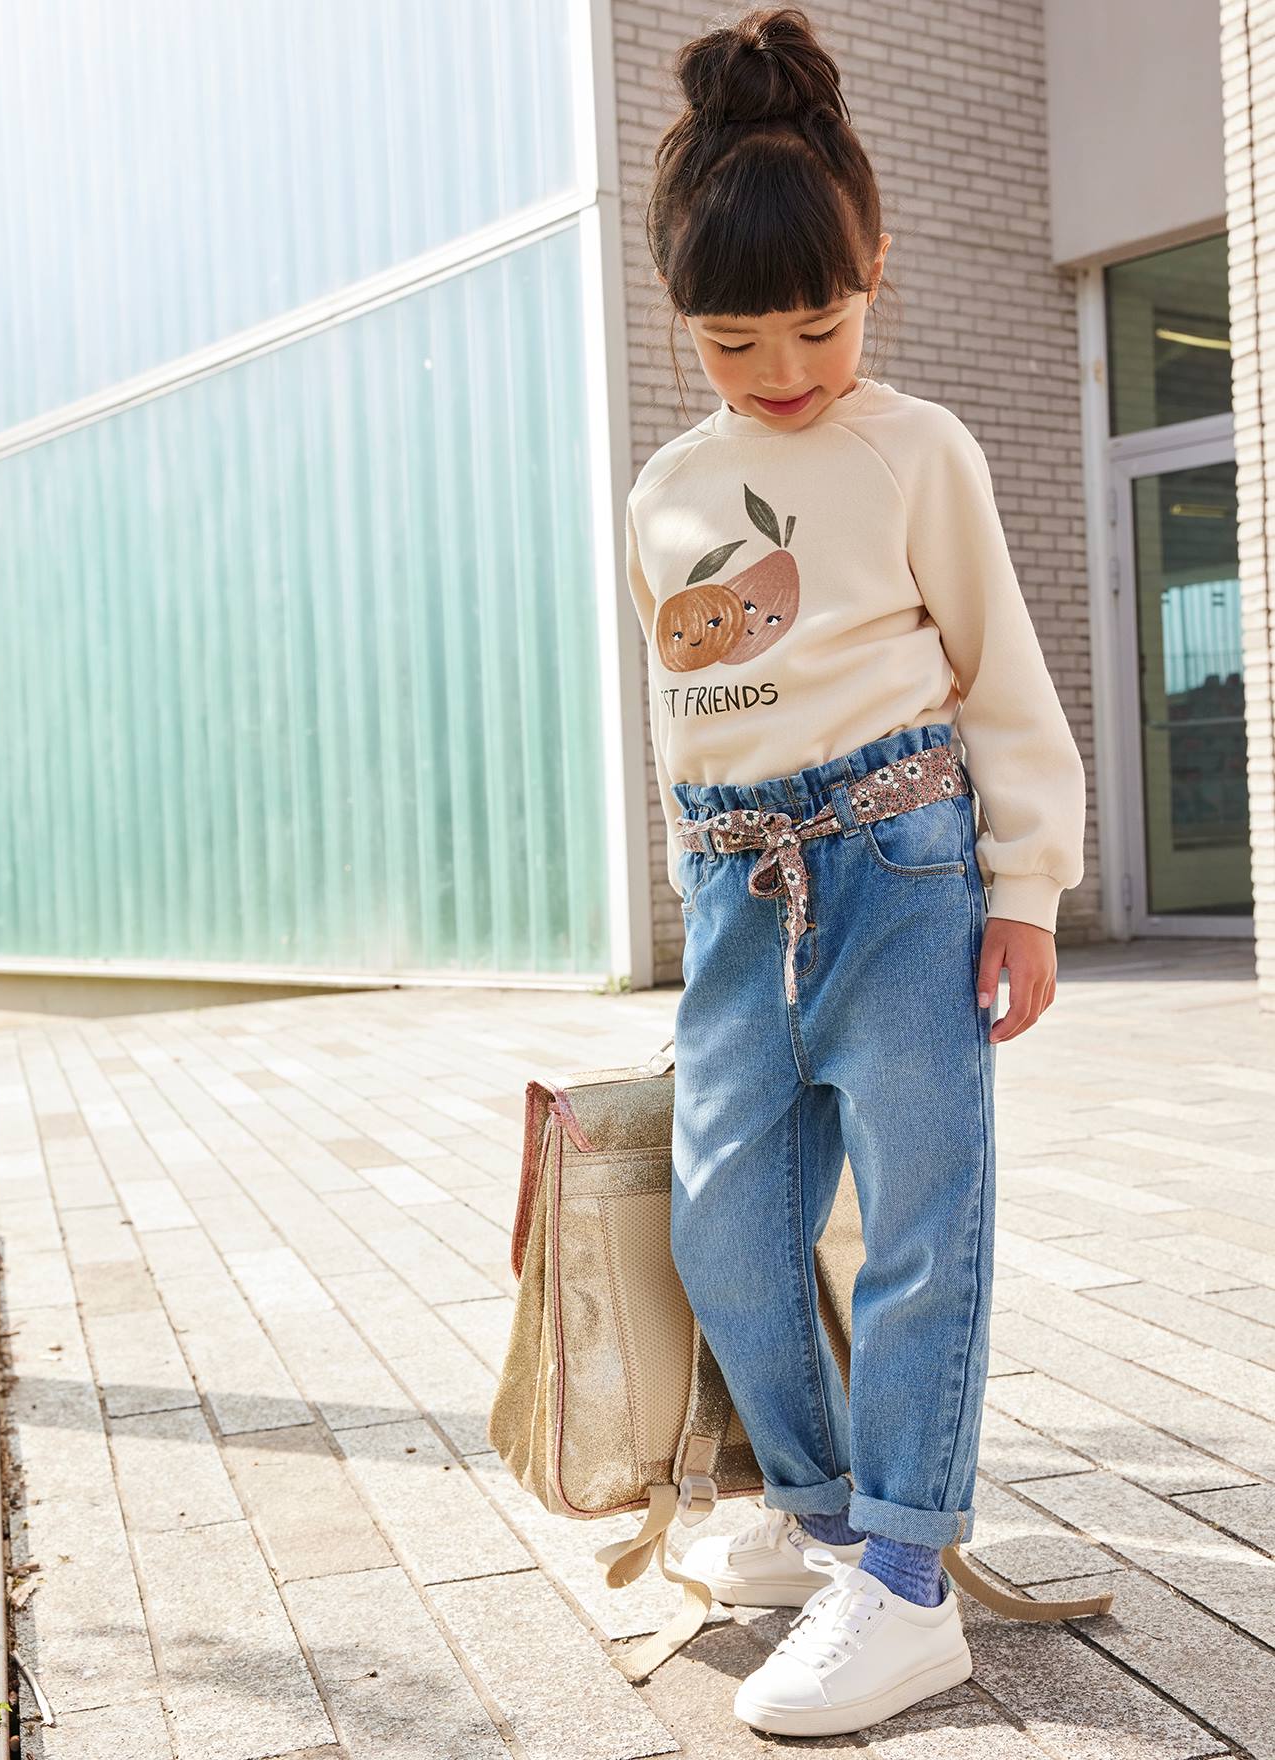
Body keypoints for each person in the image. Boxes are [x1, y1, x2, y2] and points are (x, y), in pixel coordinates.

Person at [622, 5, 1085, 1740]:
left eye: (816, 322)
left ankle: (903, 1581)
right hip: (739, 893)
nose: (785, 369)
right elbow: (694, 706)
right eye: (737, 341)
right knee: (728, 1231)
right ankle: (824, 1519)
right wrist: (698, 905)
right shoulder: (671, 489)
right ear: (687, 328)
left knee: (918, 1225)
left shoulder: (921, 450)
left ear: (872, 267)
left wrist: (1028, 890)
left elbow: (1006, 685)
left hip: (901, 870)